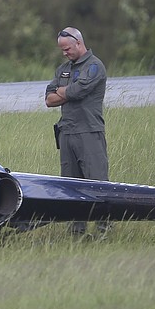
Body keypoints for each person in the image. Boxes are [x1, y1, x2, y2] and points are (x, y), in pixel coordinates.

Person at [45, 27, 111, 238]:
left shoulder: (94, 66)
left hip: (89, 132)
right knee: (70, 186)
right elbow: (49, 99)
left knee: (97, 183)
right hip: (67, 133)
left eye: (67, 49)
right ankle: (76, 232)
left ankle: (103, 230)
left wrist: (63, 92)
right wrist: (66, 92)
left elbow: (78, 90)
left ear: (79, 43)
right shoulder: (63, 69)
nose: (64, 53)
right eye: (62, 50)